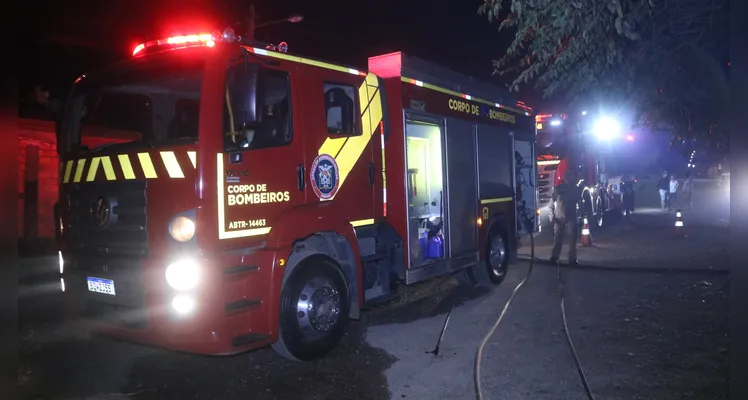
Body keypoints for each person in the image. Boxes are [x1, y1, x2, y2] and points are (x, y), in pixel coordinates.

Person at [549, 170, 582, 265]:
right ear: (564, 178)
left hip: (572, 217)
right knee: (558, 239)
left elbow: (580, 203)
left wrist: (582, 217)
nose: (568, 179)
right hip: (559, 217)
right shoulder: (558, 188)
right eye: (567, 177)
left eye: (570, 176)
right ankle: (554, 257)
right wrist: (552, 215)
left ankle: (572, 259)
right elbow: (551, 203)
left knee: (573, 239)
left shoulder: (576, 189)